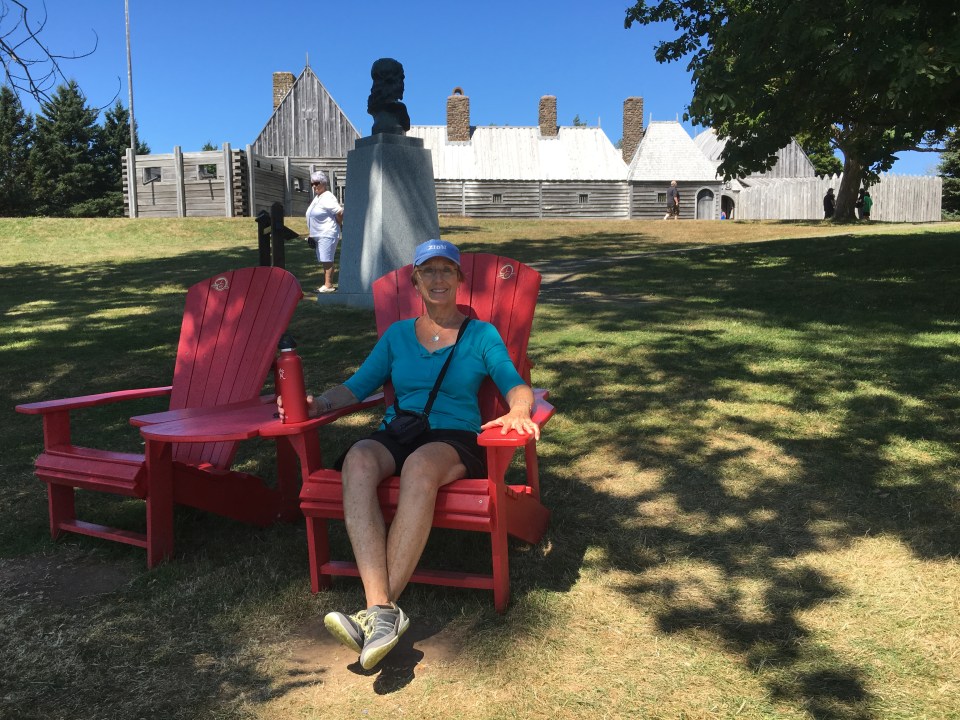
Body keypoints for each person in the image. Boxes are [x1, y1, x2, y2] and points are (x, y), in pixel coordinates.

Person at [277, 239, 540, 670]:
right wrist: (318, 405)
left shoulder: (481, 334)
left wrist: (518, 409)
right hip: (400, 430)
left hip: (453, 437)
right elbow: (359, 384)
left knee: (419, 467)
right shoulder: (398, 335)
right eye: (428, 271)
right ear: (414, 279)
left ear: (459, 279)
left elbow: (514, 382)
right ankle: (382, 612)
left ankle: (377, 612)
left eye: (446, 271)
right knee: (360, 456)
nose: (437, 279)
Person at [306, 171, 343, 293]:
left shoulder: (327, 196)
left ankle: (329, 285)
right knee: (324, 259)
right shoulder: (318, 197)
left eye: (316, 183)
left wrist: (338, 223)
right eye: (312, 184)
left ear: (323, 183)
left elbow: (339, 212)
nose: (314, 186)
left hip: (327, 232)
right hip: (319, 234)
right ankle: (326, 284)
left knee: (327, 259)